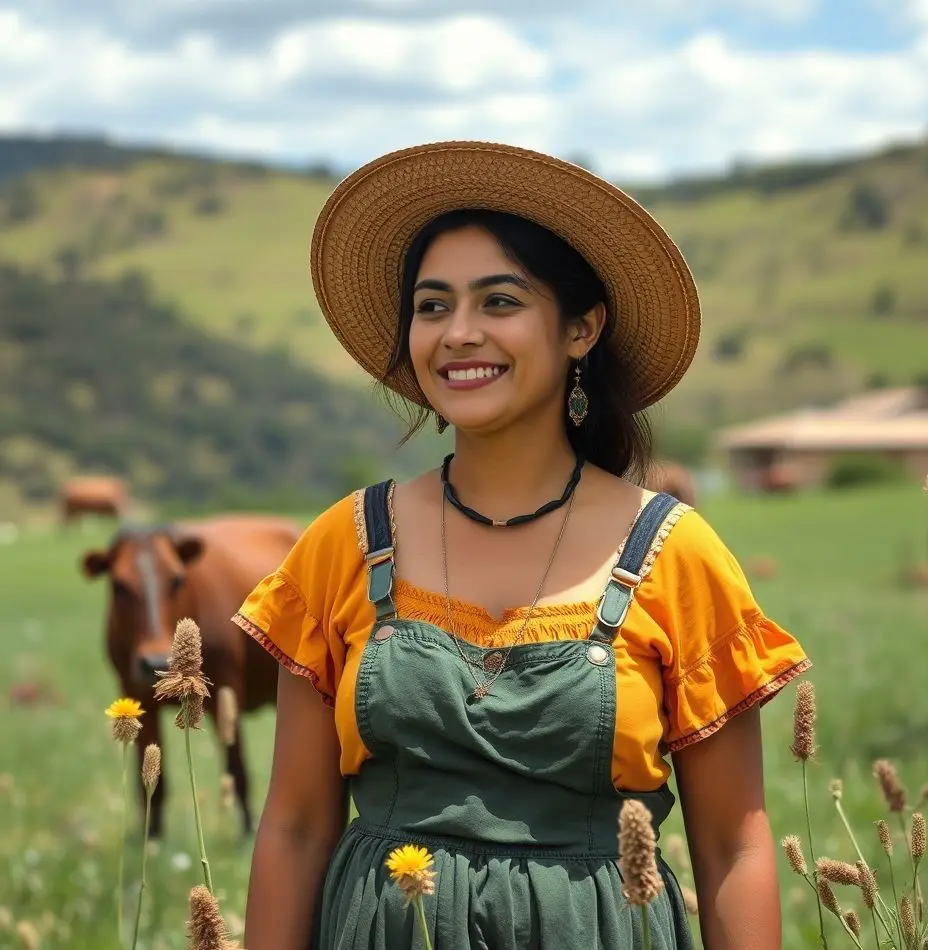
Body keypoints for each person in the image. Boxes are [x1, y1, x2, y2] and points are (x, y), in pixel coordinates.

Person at [232, 141, 811, 950]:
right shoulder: (346, 542)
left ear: (581, 328)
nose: (459, 333)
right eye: (433, 306)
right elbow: (295, 828)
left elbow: (732, 847)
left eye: (499, 301)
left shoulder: (675, 552)